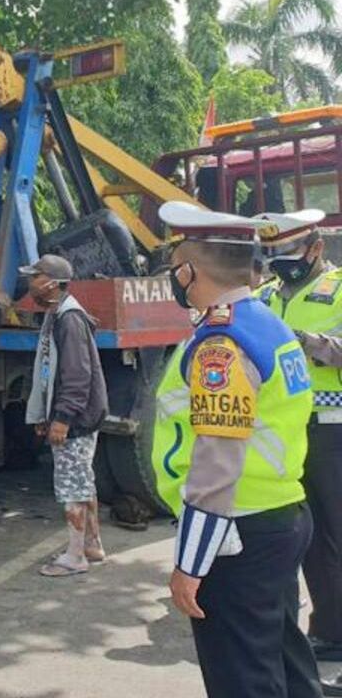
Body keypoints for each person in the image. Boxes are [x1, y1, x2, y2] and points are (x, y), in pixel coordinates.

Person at [153, 201, 318, 698]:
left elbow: (216, 462)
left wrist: (191, 563)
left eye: (174, 264)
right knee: (283, 656)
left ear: (189, 271)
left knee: (242, 678)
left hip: (238, 529)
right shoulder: (266, 322)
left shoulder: (222, 343)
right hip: (281, 512)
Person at [254, 209, 342, 694]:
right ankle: (309, 627)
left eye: (288, 255)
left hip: (332, 430)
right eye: (273, 256)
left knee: (333, 537)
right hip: (282, 434)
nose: (280, 265)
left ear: (315, 248)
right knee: (290, 534)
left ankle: (333, 629)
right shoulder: (266, 295)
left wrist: (310, 343)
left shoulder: (340, 287)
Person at [20, 254, 109, 577]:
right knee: (83, 480)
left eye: (35, 277)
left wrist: (62, 418)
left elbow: (77, 375)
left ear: (52, 284)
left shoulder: (69, 320)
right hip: (78, 416)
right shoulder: (57, 314)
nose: (31, 284)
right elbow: (50, 371)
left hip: (77, 419)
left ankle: (75, 556)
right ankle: (92, 544)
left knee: (72, 485)